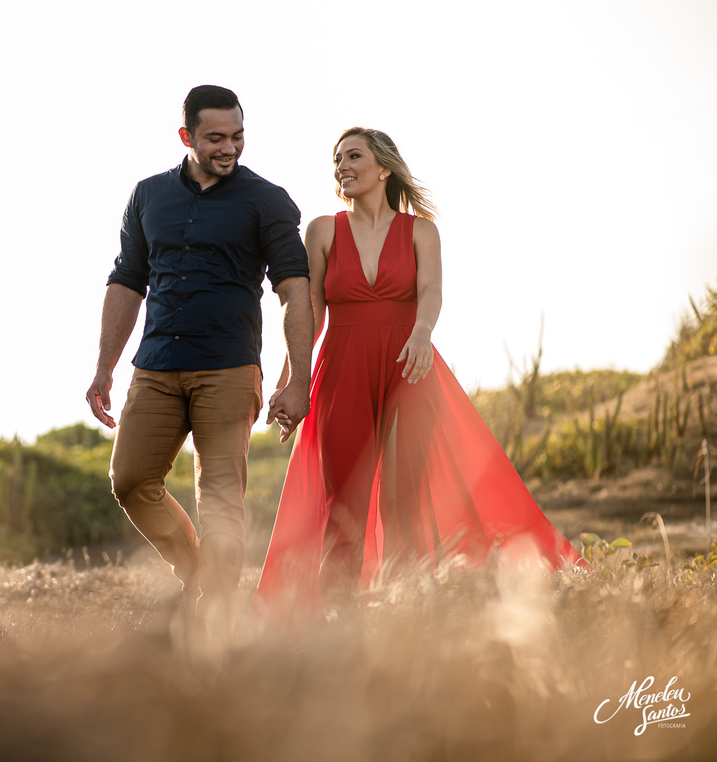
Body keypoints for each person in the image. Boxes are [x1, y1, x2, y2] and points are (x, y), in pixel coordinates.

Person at [256, 127, 583, 612]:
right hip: (342, 367)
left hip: (408, 364)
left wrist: (422, 332)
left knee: (403, 497)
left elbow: (431, 290)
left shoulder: (421, 231)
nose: (341, 166)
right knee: (341, 501)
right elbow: (311, 309)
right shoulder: (323, 230)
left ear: (383, 167)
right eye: (336, 160)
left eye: (353, 156)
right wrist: (291, 379)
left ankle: (401, 606)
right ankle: (338, 614)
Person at [86, 85, 314, 627]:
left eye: (237, 136)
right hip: (156, 365)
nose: (229, 148)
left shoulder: (267, 200)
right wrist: (104, 366)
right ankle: (195, 572)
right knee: (129, 479)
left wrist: (297, 378)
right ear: (187, 136)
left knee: (220, 500)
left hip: (229, 369)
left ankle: (212, 617)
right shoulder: (148, 196)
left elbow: (295, 291)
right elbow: (127, 280)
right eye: (215, 138)